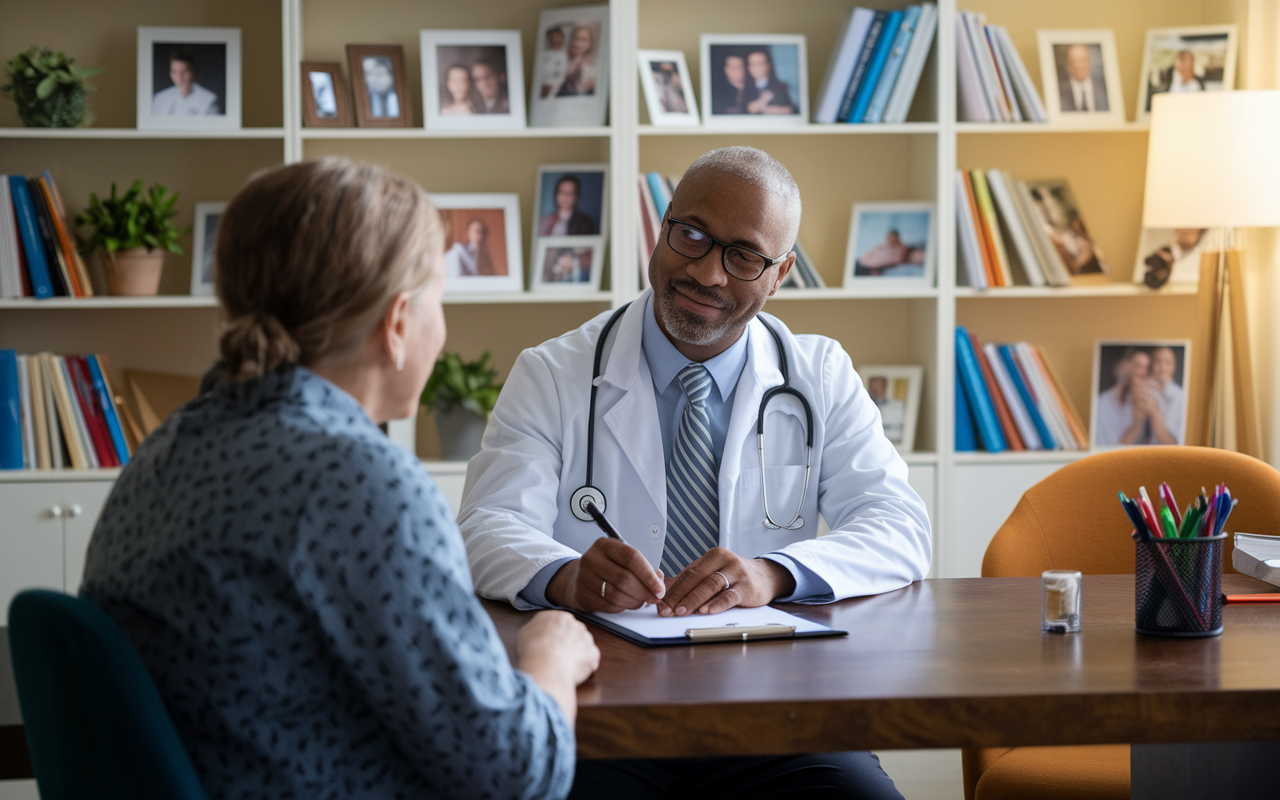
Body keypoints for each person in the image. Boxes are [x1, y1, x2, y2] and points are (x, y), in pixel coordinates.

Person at [79, 157, 599, 798]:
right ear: (398, 323)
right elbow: (517, 775)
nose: (444, 327)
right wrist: (551, 656)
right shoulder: (360, 485)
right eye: (440, 299)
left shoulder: (170, 446)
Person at [459, 146, 929, 798]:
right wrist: (566, 576)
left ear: (780, 273)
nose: (707, 273)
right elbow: (486, 525)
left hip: (777, 713)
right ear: (663, 227)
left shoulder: (819, 374)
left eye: (743, 256)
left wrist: (774, 573)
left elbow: (899, 526)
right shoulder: (553, 372)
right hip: (603, 710)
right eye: (693, 236)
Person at [151, 50, 220, 116]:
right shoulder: (160, 98)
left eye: (184, 71)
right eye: (175, 72)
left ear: (193, 72)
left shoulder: (209, 100)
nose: (179, 76)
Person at [1057, 43, 1109, 112]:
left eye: (1082, 60)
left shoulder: (1103, 89)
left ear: (1089, 61)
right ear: (1068, 66)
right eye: (1074, 61)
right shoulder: (1060, 93)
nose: (1079, 66)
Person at [744, 49, 796, 114]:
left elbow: (790, 110)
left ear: (768, 65)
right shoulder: (744, 88)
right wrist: (762, 101)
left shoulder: (780, 87)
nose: (756, 67)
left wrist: (767, 109)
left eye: (759, 63)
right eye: (752, 64)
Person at [855, 229, 926, 276]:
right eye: (889, 238)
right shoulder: (880, 247)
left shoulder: (903, 249)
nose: (890, 241)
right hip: (863, 264)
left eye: (893, 239)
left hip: (868, 267)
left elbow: (898, 259)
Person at [555, 24, 598, 97]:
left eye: (583, 40)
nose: (578, 44)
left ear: (590, 43)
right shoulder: (561, 57)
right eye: (576, 38)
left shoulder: (593, 64)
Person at [867, 375, 906, 444]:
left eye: (878, 385)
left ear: (884, 387)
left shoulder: (896, 407)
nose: (875, 388)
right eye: (873, 385)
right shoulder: (863, 408)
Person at [539, 27, 569, 98]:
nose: (555, 40)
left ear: (562, 38)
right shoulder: (544, 54)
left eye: (557, 36)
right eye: (552, 37)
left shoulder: (567, 55)